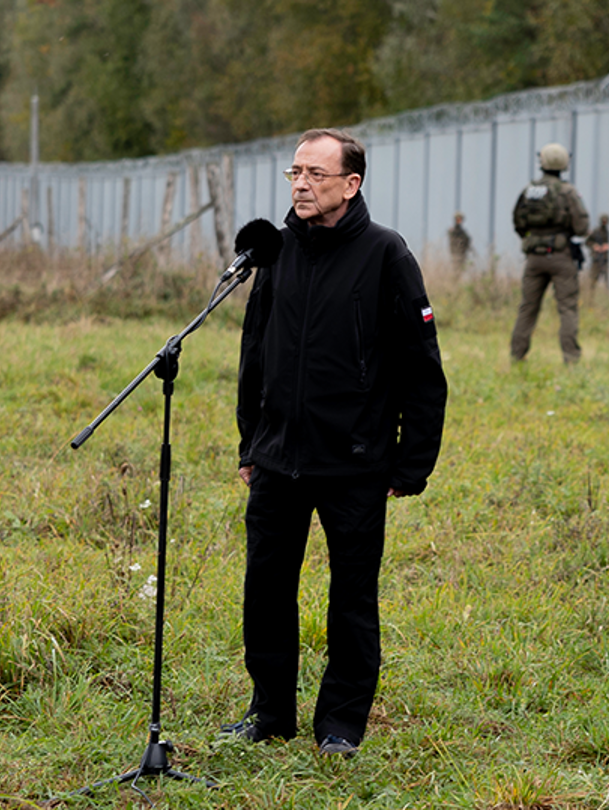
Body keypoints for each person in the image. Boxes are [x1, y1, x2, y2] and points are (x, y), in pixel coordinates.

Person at [227, 128, 448, 758]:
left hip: (355, 462)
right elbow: (255, 354)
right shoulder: (275, 253)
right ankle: (270, 711)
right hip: (277, 459)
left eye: (316, 174)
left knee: (352, 596)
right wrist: (251, 443)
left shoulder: (386, 254)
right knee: (266, 590)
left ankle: (342, 723)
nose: (300, 184)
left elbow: (422, 368)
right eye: (294, 172)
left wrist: (412, 462)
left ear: (351, 184)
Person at [509, 143, 590, 364]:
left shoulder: (529, 190)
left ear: (542, 162)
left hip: (533, 259)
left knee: (527, 308)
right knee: (567, 308)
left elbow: (517, 221)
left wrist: (532, 238)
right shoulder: (568, 191)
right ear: (564, 163)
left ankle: (517, 357)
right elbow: (582, 227)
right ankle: (571, 360)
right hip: (561, 257)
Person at [584, 213, 609, 298]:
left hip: (606, 259)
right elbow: (587, 242)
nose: (604, 223)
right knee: (593, 279)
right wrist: (594, 246)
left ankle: (607, 296)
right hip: (596, 259)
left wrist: (608, 246)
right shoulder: (596, 232)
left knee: (608, 280)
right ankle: (590, 297)